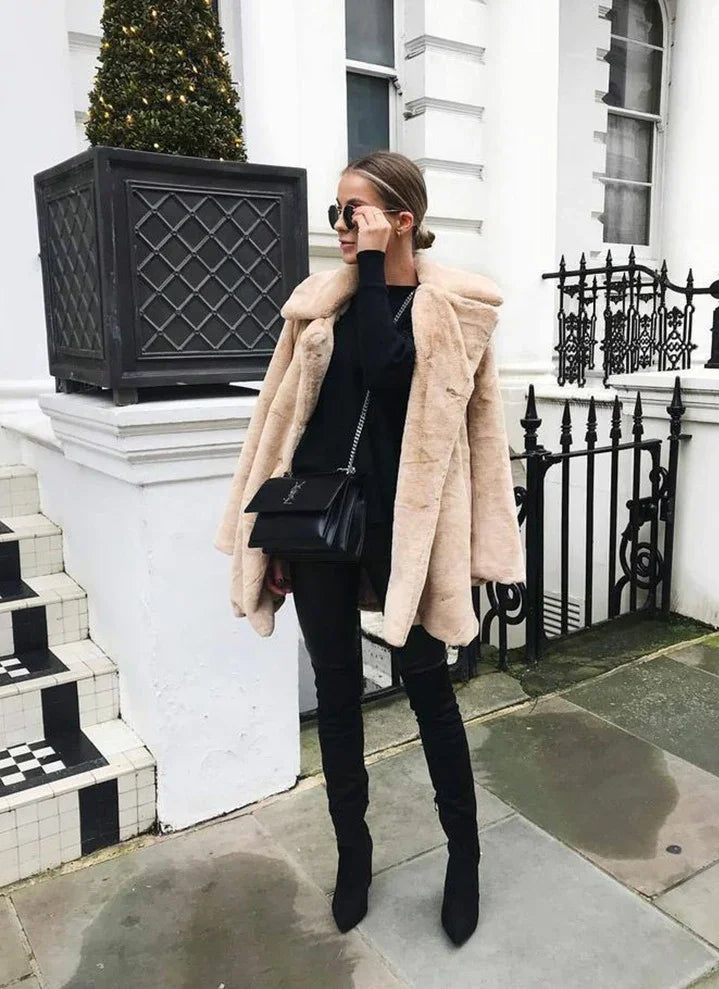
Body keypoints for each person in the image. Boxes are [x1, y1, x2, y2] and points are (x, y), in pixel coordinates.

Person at [215, 150, 525, 946]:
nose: (342, 226)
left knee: (430, 690)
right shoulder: (324, 305)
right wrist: (277, 530)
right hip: (321, 525)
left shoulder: (448, 310)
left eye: (355, 211)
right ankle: (355, 857)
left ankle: (465, 856)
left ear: (401, 219)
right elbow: (291, 421)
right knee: (338, 696)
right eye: (338, 214)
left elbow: (394, 376)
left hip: (404, 535)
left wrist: (389, 268)